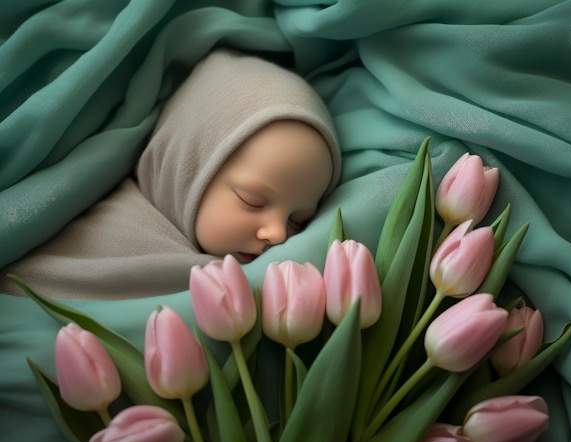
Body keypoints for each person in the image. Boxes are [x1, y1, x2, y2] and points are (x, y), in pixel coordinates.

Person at [0, 48, 341, 300]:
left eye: (299, 220)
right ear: (185, 168)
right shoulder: (97, 234)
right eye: (252, 200)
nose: (278, 234)